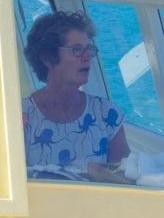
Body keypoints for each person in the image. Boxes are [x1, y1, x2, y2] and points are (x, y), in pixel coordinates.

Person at [22, 11, 131, 182]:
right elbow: (3, 182)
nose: (87, 58)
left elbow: (127, 180)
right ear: (47, 58)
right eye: (77, 50)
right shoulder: (20, 117)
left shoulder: (107, 115)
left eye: (89, 50)